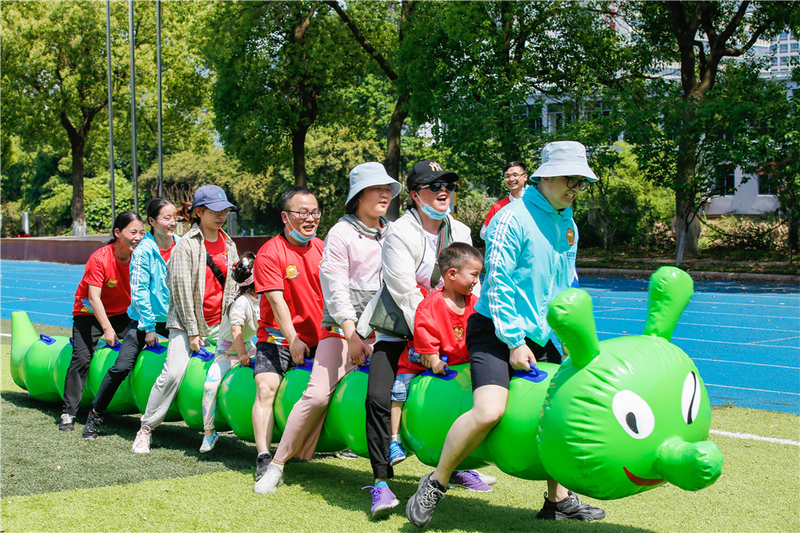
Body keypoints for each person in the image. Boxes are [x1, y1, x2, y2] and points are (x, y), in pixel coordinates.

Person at [405, 141, 607, 528]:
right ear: (545, 177)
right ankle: (435, 482)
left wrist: (566, 334)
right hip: (496, 330)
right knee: (489, 411)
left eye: (581, 182)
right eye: (570, 179)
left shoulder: (569, 224)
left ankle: (558, 499)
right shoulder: (510, 219)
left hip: (543, 334)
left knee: (557, 412)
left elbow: (566, 283)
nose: (576, 188)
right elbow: (497, 285)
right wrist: (514, 341)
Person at [254, 163, 402, 495]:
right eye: (376, 189)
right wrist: (348, 335)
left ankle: (453, 466)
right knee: (313, 394)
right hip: (327, 331)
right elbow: (331, 294)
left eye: (388, 189)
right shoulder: (338, 234)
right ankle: (274, 462)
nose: (385, 195)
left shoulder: (392, 232)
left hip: (381, 329)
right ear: (358, 196)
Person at [359, 159, 479, 518]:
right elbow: (406, 293)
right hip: (401, 328)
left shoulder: (460, 230)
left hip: (451, 328)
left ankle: (454, 466)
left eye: (448, 186)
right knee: (378, 397)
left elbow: (473, 285)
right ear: (415, 195)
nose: (444, 192)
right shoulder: (399, 232)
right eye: (434, 186)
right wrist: (428, 344)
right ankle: (381, 481)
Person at [131, 185, 239, 453]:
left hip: (221, 323)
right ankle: (146, 428)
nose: (221, 215)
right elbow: (180, 295)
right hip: (186, 323)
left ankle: (215, 427)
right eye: (215, 211)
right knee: (173, 373)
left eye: (225, 210)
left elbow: (234, 287)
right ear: (199, 212)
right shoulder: (186, 246)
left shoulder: (229, 244)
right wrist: (193, 332)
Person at [389, 243, 491, 492]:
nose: (476, 281)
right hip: (421, 360)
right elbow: (424, 332)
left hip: (456, 365)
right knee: (399, 390)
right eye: (474, 275)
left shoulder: (473, 303)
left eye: (479, 275)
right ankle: (394, 439)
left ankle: (459, 464)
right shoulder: (431, 304)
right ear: (452, 274)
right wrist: (433, 358)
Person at [82, 198, 180, 439]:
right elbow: (139, 292)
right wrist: (149, 327)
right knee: (122, 366)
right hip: (144, 320)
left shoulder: (181, 245)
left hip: (174, 319)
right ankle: (95, 415)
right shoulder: (144, 251)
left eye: (175, 217)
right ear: (152, 221)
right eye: (167, 218)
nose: (172, 222)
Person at [250, 186, 324, 489]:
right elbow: (277, 302)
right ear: (285, 216)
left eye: (315, 212)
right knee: (266, 388)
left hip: (321, 339)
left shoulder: (323, 248)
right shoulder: (270, 252)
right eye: (302, 213)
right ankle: (264, 456)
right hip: (277, 338)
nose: (310, 218)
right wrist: (293, 339)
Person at [59, 211, 145, 431]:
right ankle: (68, 413)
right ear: (117, 233)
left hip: (121, 313)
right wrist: (107, 329)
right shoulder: (99, 258)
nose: (138, 237)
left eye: (142, 233)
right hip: (88, 313)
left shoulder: (141, 257)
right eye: (133, 232)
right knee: (81, 358)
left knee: (144, 344)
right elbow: (94, 298)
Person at [199, 252, 259, 453]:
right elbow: (236, 331)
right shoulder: (241, 301)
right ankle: (209, 432)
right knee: (209, 386)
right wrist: (242, 355)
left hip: (247, 345)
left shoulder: (261, 298)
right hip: (226, 351)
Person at [479, 161, 528, 240]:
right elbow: (483, 232)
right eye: (507, 176)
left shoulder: (535, 203)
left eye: (515, 175)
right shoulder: (498, 207)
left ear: (525, 177)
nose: (511, 179)